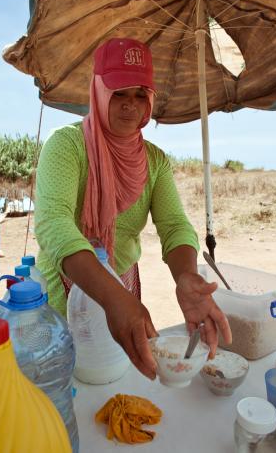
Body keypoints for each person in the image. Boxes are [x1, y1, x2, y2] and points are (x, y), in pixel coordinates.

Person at [35, 37, 232, 380]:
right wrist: (113, 299)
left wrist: (186, 276)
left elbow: (174, 226)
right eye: (119, 93)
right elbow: (54, 224)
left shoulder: (154, 161)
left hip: (123, 286)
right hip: (67, 284)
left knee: (116, 377)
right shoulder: (65, 146)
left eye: (140, 94)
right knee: (66, 376)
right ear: (98, 92)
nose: (130, 106)